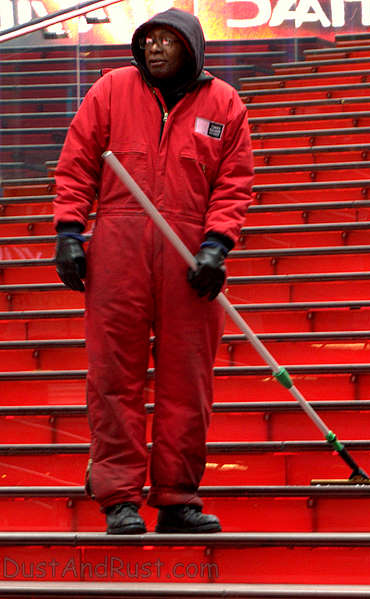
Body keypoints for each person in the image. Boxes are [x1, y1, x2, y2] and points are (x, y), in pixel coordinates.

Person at [52, 8, 254, 534]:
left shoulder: (224, 103)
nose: (155, 50)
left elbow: (234, 183)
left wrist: (216, 245)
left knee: (187, 381)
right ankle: (119, 497)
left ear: (192, 48)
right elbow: (77, 163)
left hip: (189, 256)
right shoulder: (111, 90)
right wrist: (70, 232)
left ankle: (176, 498)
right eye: (149, 41)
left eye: (168, 41)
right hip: (118, 248)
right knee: (113, 375)